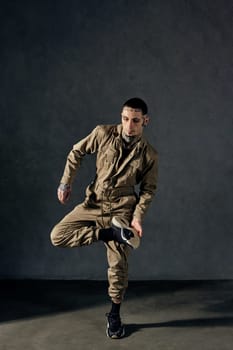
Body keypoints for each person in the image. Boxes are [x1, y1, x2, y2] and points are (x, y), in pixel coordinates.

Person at [50, 97, 158, 339]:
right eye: (125, 119)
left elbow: (148, 190)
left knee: (118, 265)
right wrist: (65, 182)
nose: (129, 126)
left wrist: (138, 218)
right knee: (57, 235)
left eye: (136, 121)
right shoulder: (102, 133)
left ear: (145, 121)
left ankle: (115, 314)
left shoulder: (149, 155)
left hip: (122, 210)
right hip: (94, 203)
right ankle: (107, 234)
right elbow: (77, 151)